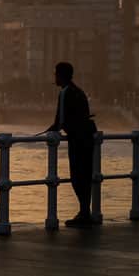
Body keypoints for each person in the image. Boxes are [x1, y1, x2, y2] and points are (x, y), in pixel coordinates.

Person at [45, 61, 98, 227]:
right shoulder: (79, 91)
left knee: (77, 176)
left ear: (61, 75)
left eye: (55, 74)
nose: (54, 77)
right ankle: (85, 212)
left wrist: (50, 130)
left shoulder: (65, 92)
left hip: (78, 139)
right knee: (86, 175)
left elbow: (59, 121)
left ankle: (83, 214)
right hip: (88, 137)